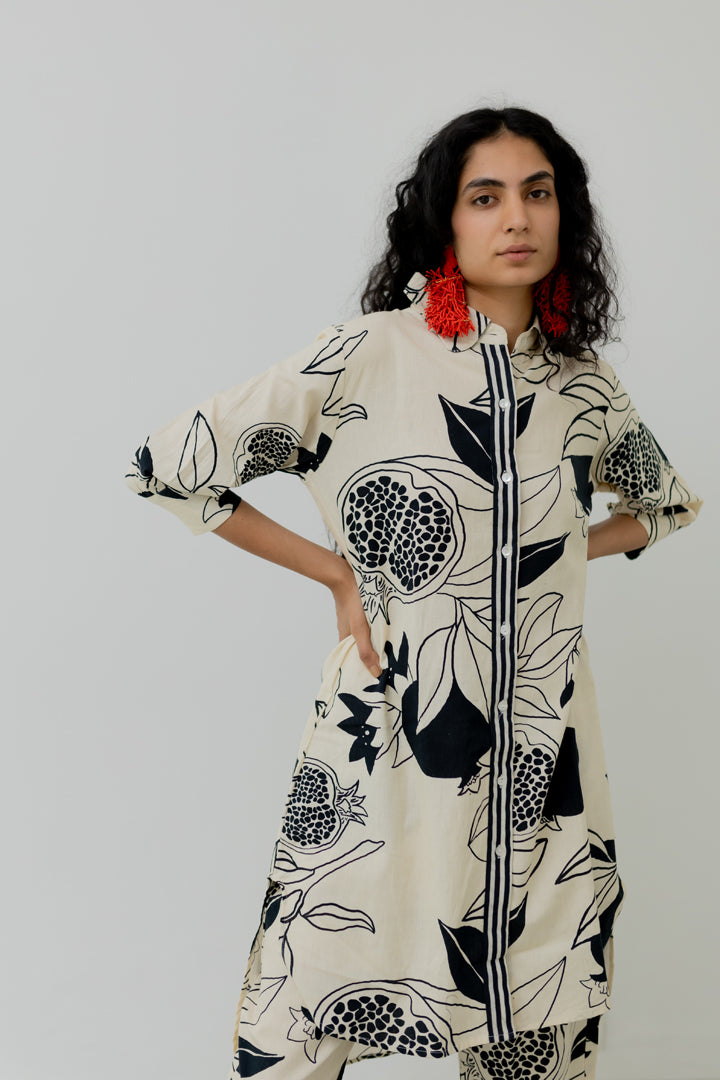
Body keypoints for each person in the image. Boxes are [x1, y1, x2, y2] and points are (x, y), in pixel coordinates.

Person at [124, 106, 703, 1080]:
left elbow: (667, 506)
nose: (516, 217)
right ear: (444, 221)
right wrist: (338, 573)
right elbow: (170, 465)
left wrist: (553, 554)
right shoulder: (366, 356)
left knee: (534, 1028)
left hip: (544, 767)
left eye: (538, 193)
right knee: (302, 1021)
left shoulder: (584, 386)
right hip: (389, 751)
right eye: (486, 197)